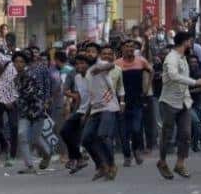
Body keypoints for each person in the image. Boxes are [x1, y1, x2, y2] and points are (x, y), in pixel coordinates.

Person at [157, 31, 201, 179]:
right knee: (167, 136)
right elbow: (173, 76)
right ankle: (162, 162)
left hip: (184, 101)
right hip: (169, 102)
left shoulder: (183, 58)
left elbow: (182, 79)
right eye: (190, 41)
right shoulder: (171, 58)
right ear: (184, 42)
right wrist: (194, 82)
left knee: (186, 134)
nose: (191, 44)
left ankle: (180, 164)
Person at [83, 45, 123, 181]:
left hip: (108, 107)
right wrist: (86, 112)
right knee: (86, 139)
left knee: (103, 136)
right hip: (95, 109)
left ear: (98, 54)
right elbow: (92, 95)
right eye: (88, 51)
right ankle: (101, 166)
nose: (90, 54)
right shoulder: (88, 72)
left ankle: (111, 165)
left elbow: (111, 66)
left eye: (93, 52)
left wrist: (101, 68)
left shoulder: (102, 64)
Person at [13, 51, 55, 174]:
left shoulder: (31, 75)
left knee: (35, 138)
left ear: (26, 63)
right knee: (22, 135)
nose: (18, 64)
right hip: (24, 112)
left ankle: (47, 154)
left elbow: (34, 94)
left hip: (37, 111)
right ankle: (29, 166)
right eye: (16, 61)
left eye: (21, 62)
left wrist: (46, 102)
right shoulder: (16, 79)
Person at [115, 38, 151, 166]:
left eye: (132, 46)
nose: (130, 48)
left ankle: (136, 150)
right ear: (122, 49)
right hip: (121, 101)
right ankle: (127, 156)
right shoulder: (117, 64)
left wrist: (146, 88)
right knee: (124, 131)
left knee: (136, 129)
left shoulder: (141, 61)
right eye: (127, 46)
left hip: (137, 101)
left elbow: (150, 71)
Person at [60, 53, 91, 174]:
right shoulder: (77, 78)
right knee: (65, 131)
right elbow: (79, 96)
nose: (80, 66)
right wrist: (73, 112)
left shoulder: (92, 77)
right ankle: (77, 158)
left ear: (88, 65)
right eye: (77, 64)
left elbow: (94, 97)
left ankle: (77, 158)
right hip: (80, 110)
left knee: (87, 138)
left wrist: (86, 114)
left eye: (82, 63)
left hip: (92, 110)